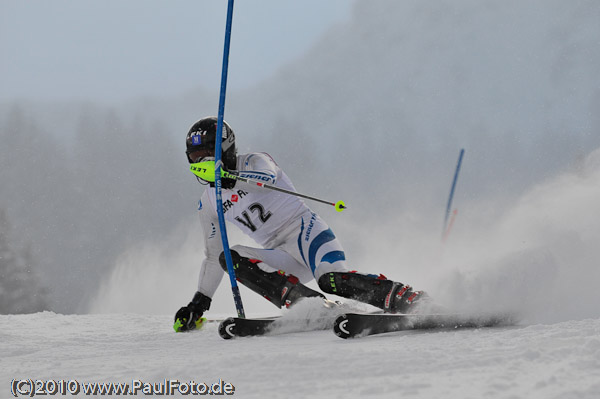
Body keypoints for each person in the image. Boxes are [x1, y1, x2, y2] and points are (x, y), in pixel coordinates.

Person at [174, 117, 427, 332]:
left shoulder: (254, 161)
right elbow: (212, 255)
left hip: (307, 233)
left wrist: (231, 179)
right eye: (194, 158)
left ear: (225, 149)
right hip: (280, 254)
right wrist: (199, 302)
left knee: (332, 281)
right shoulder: (208, 201)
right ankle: (312, 305)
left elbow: (266, 178)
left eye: (206, 155)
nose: (200, 164)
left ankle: (407, 298)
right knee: (229, 257)